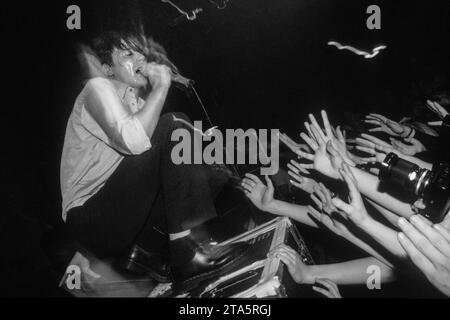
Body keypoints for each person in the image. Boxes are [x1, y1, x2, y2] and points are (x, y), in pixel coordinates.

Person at [60, 30, 248, 291]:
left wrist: (203, 142)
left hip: (126, 209)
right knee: (174, 124)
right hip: (92, 216)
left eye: (139, 52)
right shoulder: (97, 88)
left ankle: (148, 253)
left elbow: (161, 153)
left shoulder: (135, 103)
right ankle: (185, 254)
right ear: (108, 69)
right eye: (127, 53)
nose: (139, 57)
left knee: (212, 169)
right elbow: (137, 141)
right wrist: (161, 87)